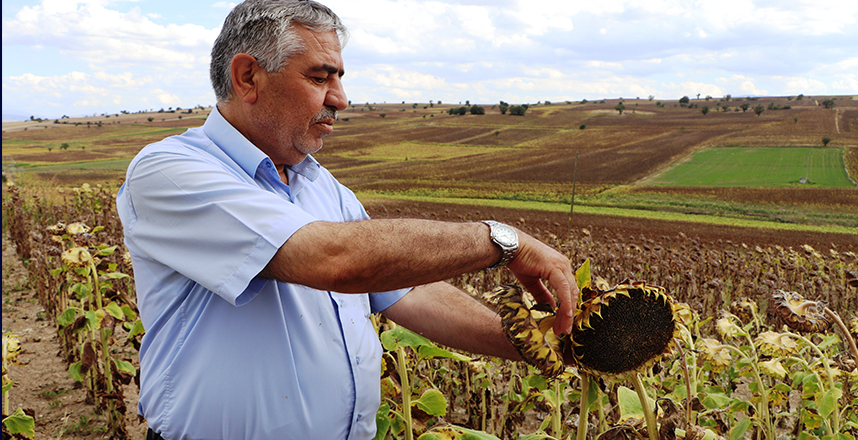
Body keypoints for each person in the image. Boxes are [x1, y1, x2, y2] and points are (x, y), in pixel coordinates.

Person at [116, 1, 579, 439]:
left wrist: (537, 341)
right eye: (320, 77)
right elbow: (337, 260)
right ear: (247, 76)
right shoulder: (171, 172)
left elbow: (408, 293)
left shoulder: (322, 187)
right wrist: (503, 240)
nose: (340, 98)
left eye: (338, 78)